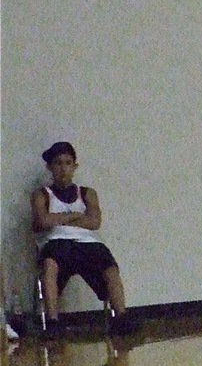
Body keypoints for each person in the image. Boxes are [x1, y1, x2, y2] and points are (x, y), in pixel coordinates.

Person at [31, 141, 136, 337]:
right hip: (57, 243)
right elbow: (43, 220)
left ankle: (121, 317)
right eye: (58, 163)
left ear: (75, 166)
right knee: (49, 265)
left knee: (110, 268)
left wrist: (60, 219)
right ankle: (53, 321)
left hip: (88, 243)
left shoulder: (87, 193)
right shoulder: (41, 194)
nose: (63, 169)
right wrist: (75, 216)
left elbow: (95, 222)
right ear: (50, 167)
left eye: (68, 163)